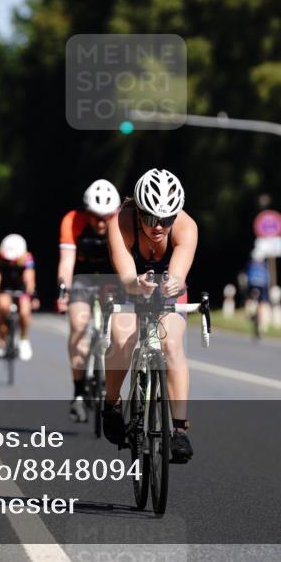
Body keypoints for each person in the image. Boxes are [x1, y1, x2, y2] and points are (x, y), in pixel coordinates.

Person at [103, 168, 198, 463]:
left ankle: (180, 430)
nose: (158, 227)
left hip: (167, 288)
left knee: (171, 346)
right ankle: (112, 403)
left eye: (166, 220)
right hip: (131, 284)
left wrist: (172, 282)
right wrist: (137, 285)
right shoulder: (120, 222)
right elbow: (127, 275)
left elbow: (179, 275)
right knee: (122, 339)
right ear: (139, 211)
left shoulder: (186, 227)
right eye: (150, 218)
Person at [57, 179, 122, 422]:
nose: (101, 222)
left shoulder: (120, 222)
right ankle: (78, 392)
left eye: (106, 216)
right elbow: (66, 261)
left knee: (120, 329)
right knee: (78, 328)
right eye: (96, 216)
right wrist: (64, 290)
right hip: (82, 279)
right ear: (87, 212)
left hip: (111, 279)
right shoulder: (72, 220)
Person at [0, 234, 37, 361]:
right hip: (5, 286)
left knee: (25, 311)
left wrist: (31, 293)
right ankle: (1, 341)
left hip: (21, 287)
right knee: (3, 307)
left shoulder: (27, 257)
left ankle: (24, 339)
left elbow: (29, 278)